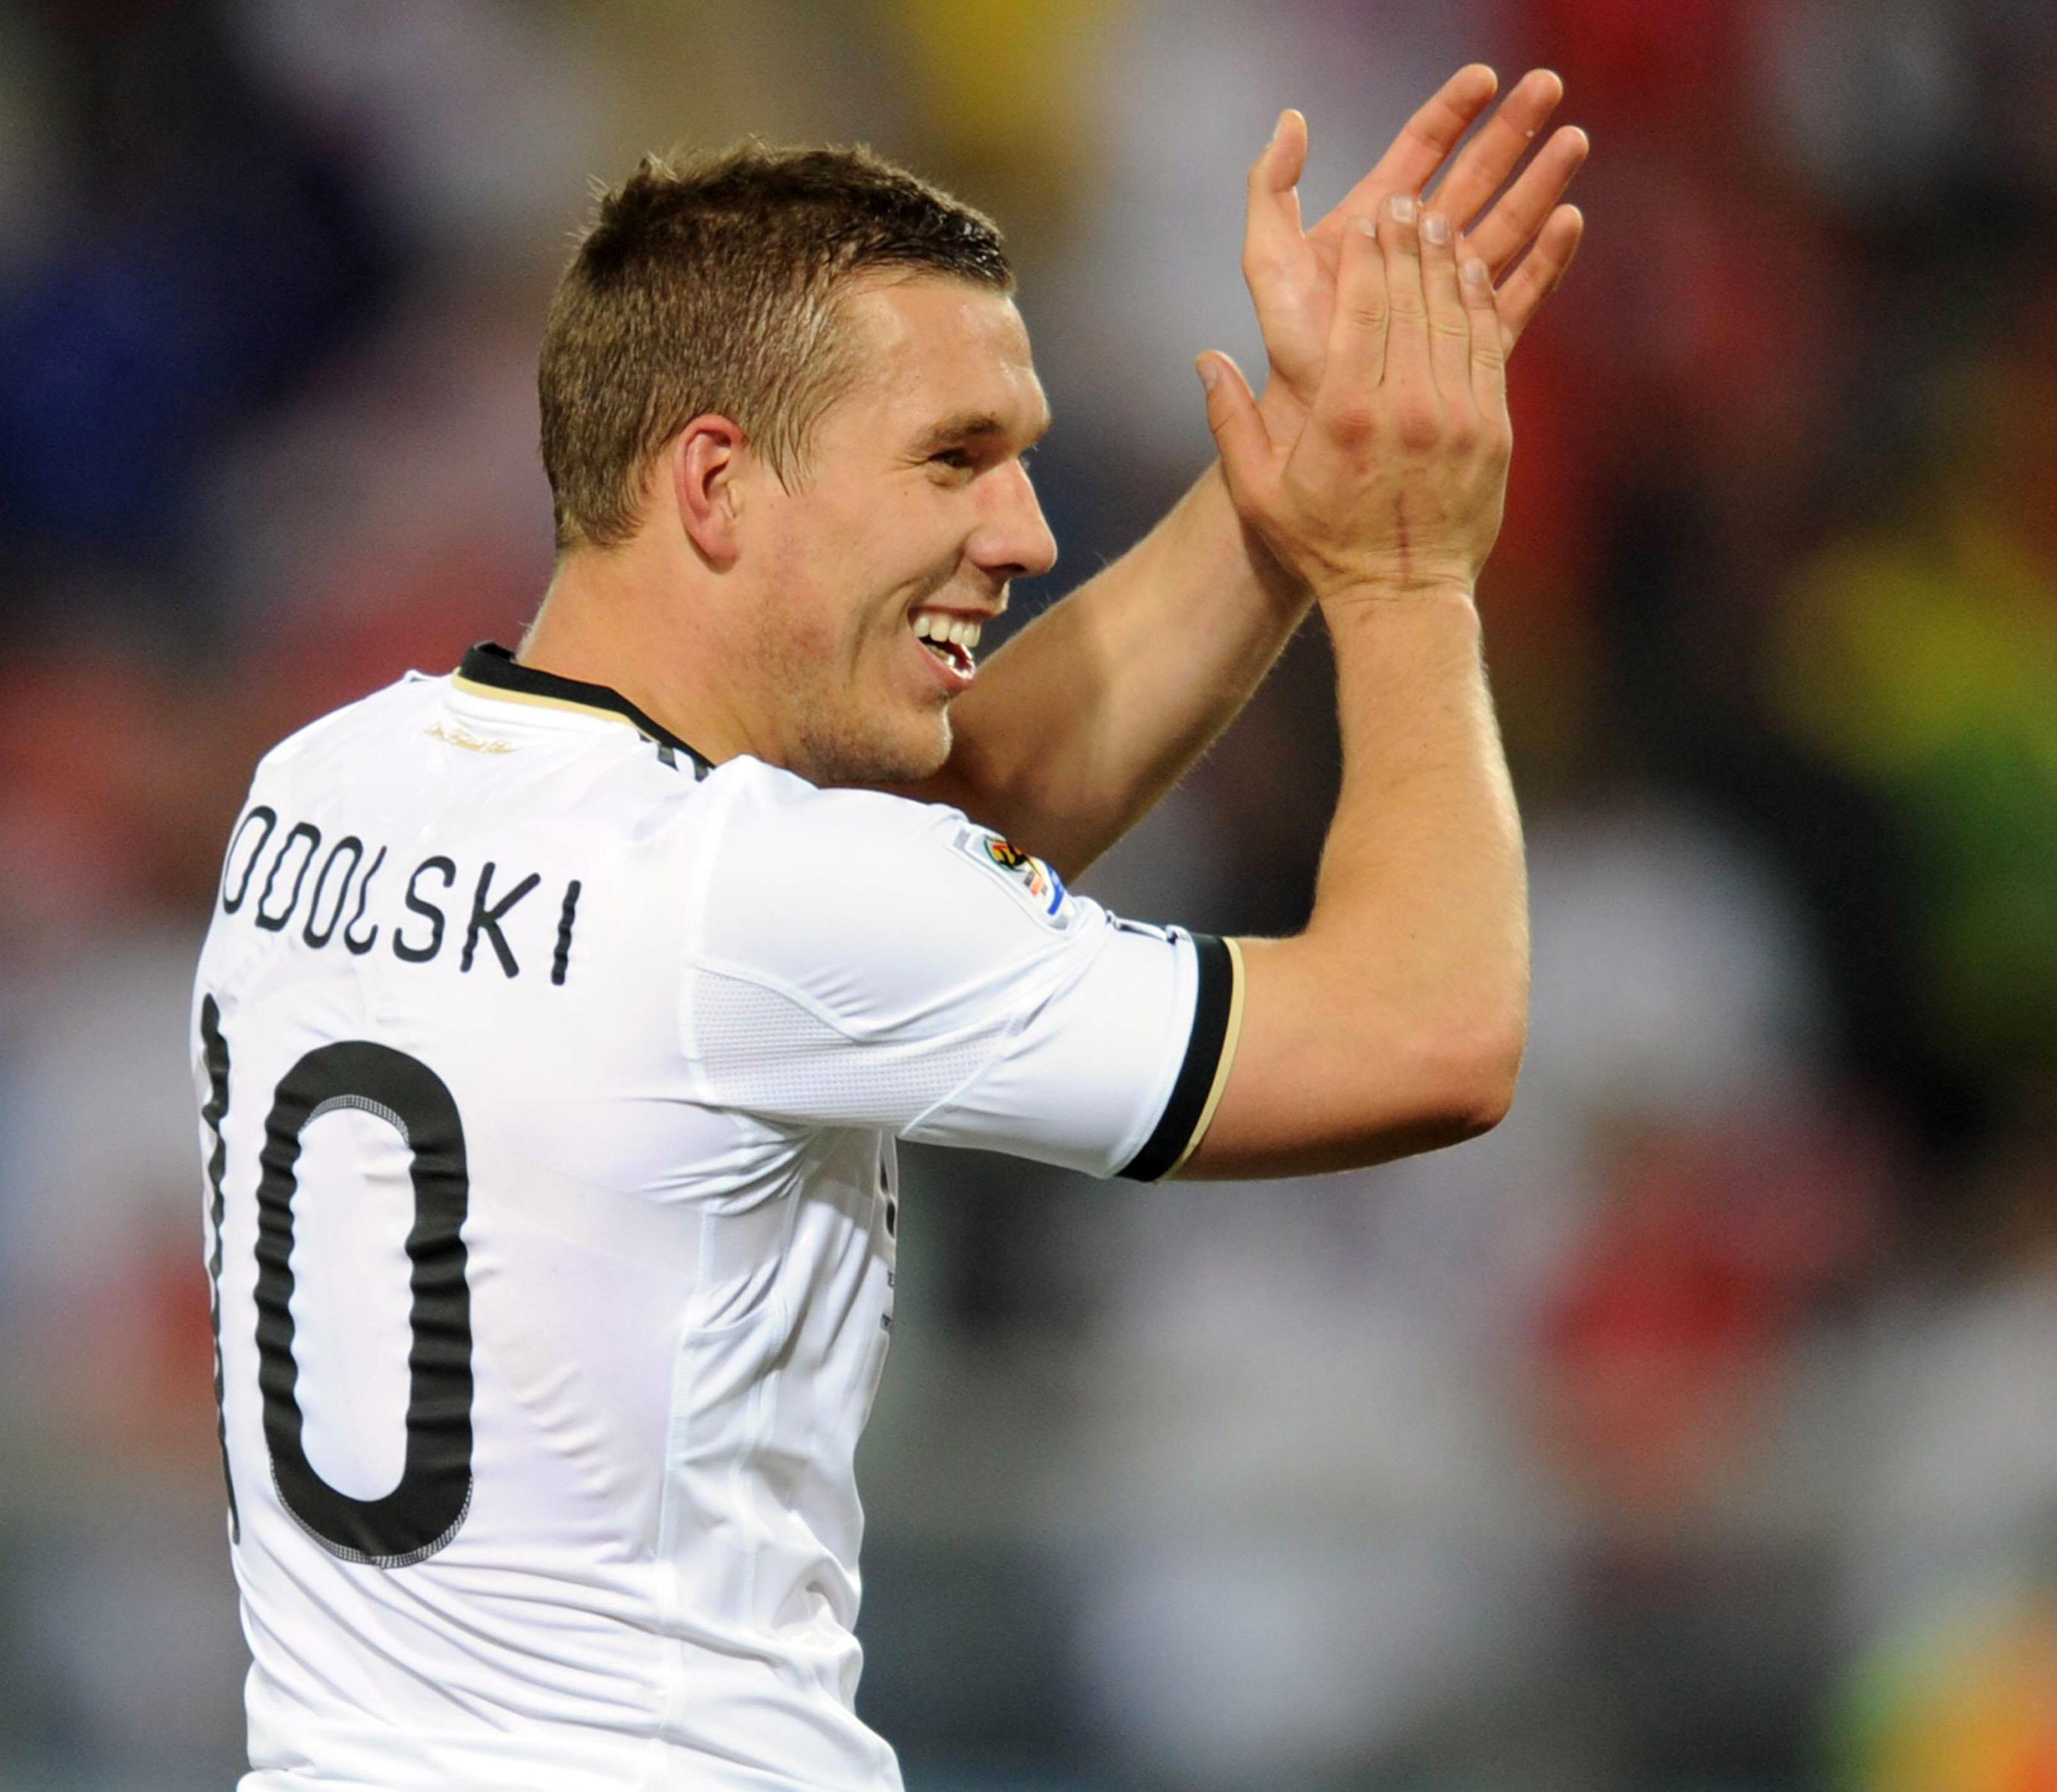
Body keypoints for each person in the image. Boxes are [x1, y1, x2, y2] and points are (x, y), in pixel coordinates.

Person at [190, 65, 1585, 1791]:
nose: (1024, 533)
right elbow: (1425, 1034)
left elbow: (925, 840)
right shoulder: (755, 898)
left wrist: (1282, 487)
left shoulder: (329, 781)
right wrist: (1401, 573)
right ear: (717, 482)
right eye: (953, 460)